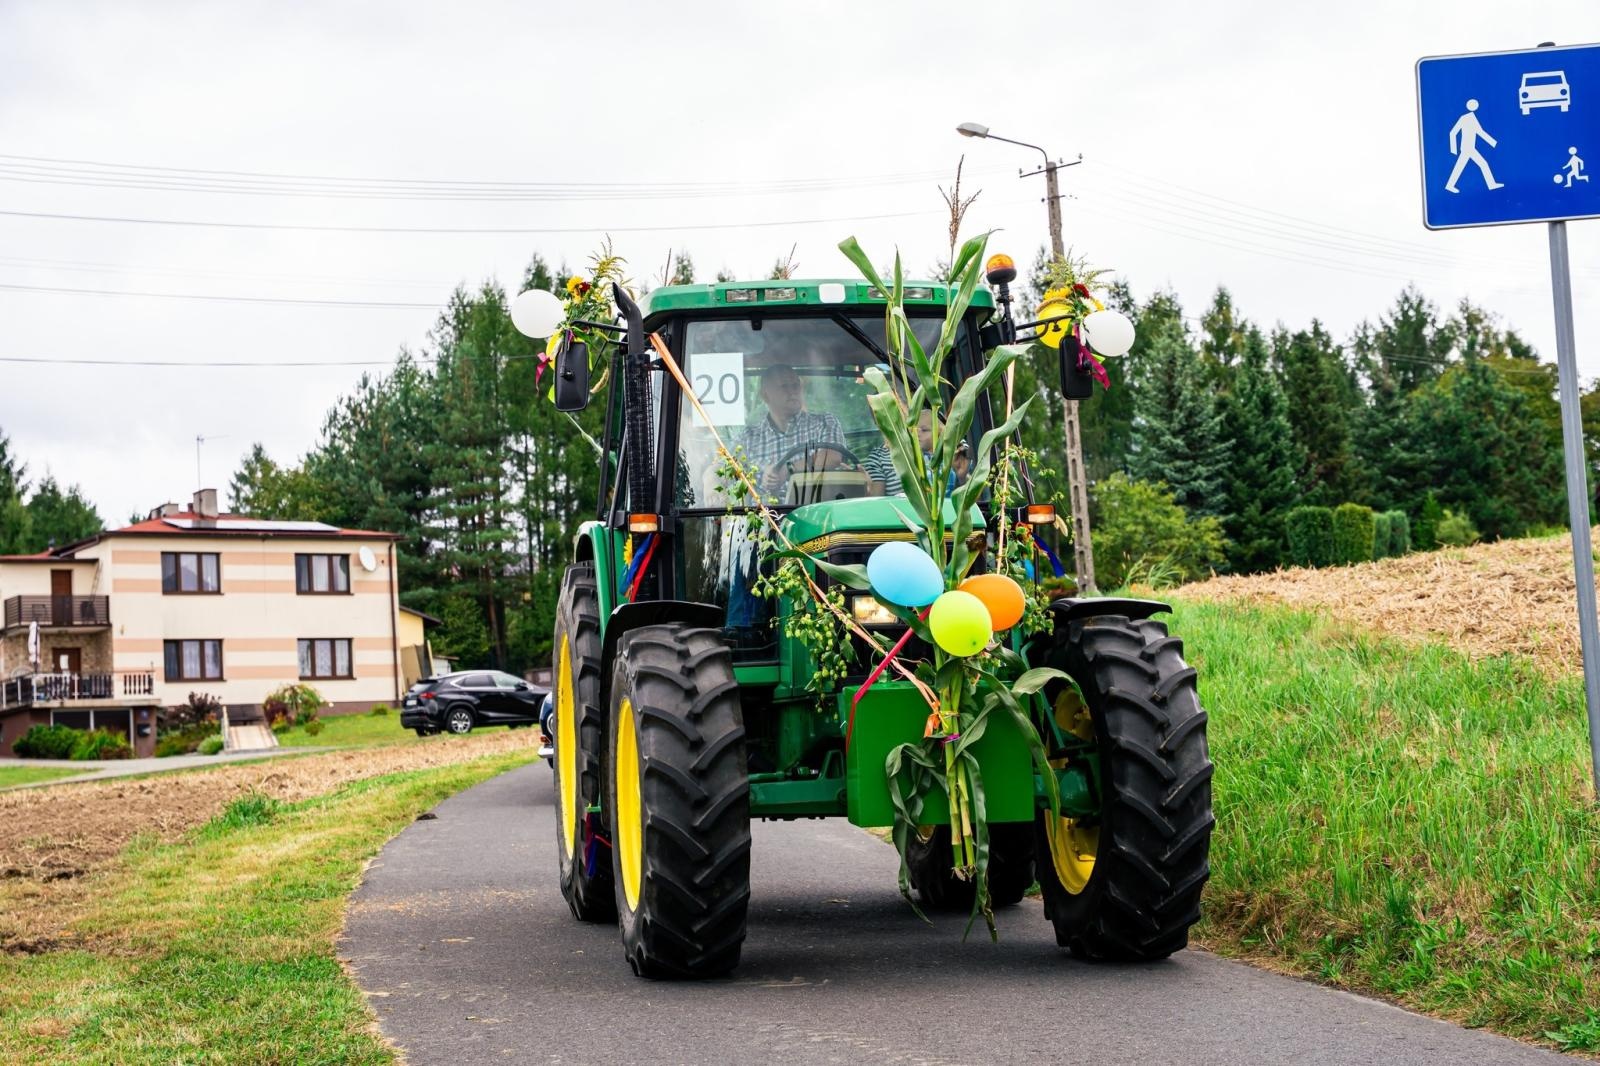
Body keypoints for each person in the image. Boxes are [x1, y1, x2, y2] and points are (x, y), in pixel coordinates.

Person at [736, 364, 848, 502]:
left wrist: (788, 469)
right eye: (784, 386)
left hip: (815, 516)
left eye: (796, 385)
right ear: (765, 395)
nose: (793, 391)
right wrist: (711, 482)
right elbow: (721, 465)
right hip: (766, 519)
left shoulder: (824, 422)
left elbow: (832, 457)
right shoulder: (749, 437)